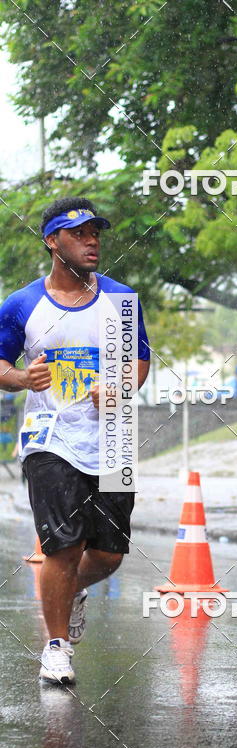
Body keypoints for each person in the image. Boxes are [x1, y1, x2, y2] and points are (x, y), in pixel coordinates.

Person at [0, 197, 150, 685]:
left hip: (113, 439)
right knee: (63, 545)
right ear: (51, 241)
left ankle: (68, 591)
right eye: (79, 233)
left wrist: (121, 385)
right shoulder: (22, 304)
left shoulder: (122, 299)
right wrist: (21, 379)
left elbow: (140, 362)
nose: (92, 241)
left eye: (96, 233)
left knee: (107, 553)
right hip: (49, 439)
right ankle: (56, 646)